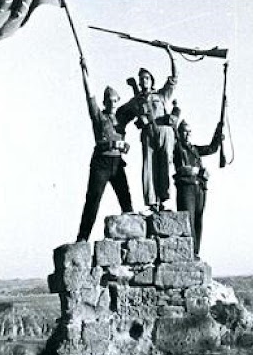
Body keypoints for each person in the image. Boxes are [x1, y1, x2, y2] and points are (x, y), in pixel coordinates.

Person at [76, 57, 133, 242]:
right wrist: (85, 72)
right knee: (93, 200)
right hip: (101, 162)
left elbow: (140, 104)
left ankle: (134, 234)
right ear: (105, 101)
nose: (113, 102)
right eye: (109, 100)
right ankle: (82, 237)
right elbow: (89, 96)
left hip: (117, 163)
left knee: (126, 200)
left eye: (115, 100)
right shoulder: (99, 117)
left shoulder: (122, 118)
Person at [116, 46, 178, 213]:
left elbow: (174, 78)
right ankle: (152, 203)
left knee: (164, 165)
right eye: (141, 79)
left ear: (152, 81)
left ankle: (163, 201)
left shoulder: (161, 96)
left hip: (164, 132)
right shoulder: (136, 100)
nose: (143, 81)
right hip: (148, 134)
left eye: (146, 78)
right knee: (148, 167)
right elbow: (121, 114)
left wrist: (170, 53)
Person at [173, 120, 223, 257]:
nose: (188, 134)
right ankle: (188, 252)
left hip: (199, 187)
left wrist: (218, 132)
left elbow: (212, 148)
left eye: (189, 131)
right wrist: (198, 171)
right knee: (188, 220)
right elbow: (182, 168)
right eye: (184, 131)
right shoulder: (177, 148)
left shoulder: (194, 149)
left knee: (198, 221)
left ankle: (195, 252)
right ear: (179, 133)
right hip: (186, 188)